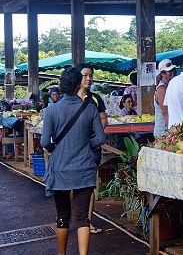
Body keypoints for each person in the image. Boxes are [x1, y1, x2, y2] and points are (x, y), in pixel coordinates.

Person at [41, 68, 107, 255]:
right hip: (84, 168)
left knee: (62, 217)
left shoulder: (52, 110)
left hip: (60, 168)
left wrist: (57, 148)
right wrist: (86, 144)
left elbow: (46, 142)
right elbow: (101, 138)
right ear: (79, 84)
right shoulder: (90, 108)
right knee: (81, 219)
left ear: (61, 87)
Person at [75, 63, 107, 235]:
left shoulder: (95, 99)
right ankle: (76, 219)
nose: (88, 78)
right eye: (85, 75)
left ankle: (87, 222)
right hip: (73, 149)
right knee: (73, 184)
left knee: (89, 184)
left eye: (91, 75)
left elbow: (104, 120)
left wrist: (93, 140)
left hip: (91, 149)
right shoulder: (70, 98)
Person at [154, 59, 176, 137]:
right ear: (163, 73)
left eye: (173, 70)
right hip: (163, 131)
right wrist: (171, 130)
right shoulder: (162, 89)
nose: (173, 73)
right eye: (170, 71)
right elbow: (165, 111)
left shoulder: (169, 87)